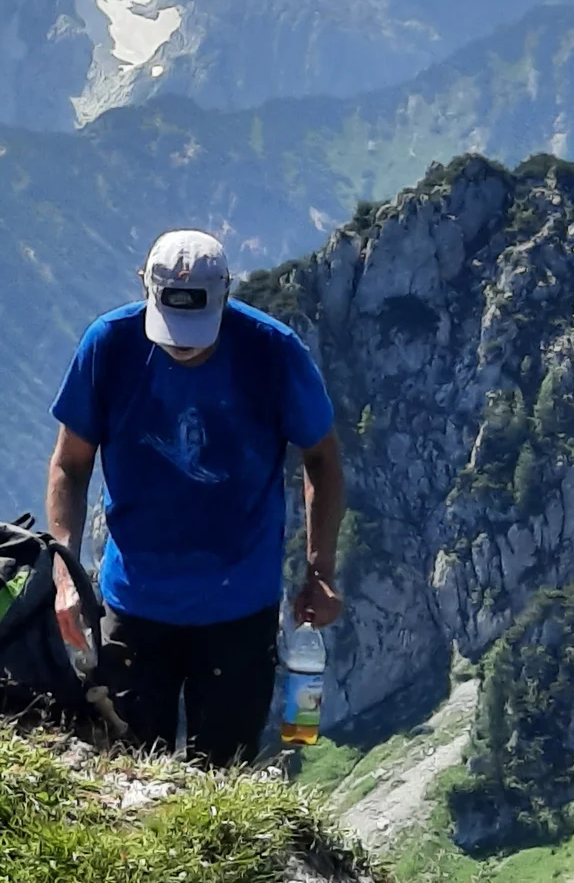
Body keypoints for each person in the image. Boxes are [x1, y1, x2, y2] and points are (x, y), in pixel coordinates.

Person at [45, 228, 344, 766]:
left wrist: (320, 569)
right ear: (145, 290)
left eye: (198, 327)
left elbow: (322, 457)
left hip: (238, 609)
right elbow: (70, 464)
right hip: (136, 603)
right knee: (128, 772)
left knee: (223, 776)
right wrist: (64, 570)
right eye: (171, 326)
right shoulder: (109, 345)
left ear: (227, 296)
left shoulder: (272, 352)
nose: (183, 341)